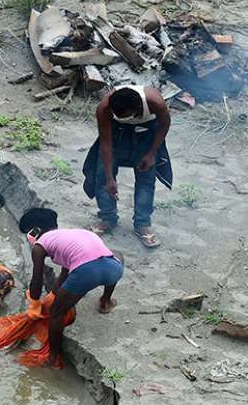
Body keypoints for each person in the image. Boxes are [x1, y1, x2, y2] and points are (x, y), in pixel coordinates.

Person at [20, 207, 123, 367]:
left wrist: (34, 302)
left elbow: (37, 280)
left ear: (36, 230)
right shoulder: (73, 235)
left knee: (56, 313)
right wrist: (54, 294)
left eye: (29, 233)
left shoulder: (39, 246)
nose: (29, 238)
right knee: (113, 257)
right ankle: (105, 301)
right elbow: (66, 272)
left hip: (87, 272)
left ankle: (53, 357)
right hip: (114, 269)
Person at [82, 85, 173, 248]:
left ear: (138, 108)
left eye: (127, 116)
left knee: (146, 179)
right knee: (102, 175)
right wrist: (110, 178)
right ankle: (107, 218)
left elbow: (164, 125)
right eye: (119, 115)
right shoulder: (104, 108)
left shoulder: (155, 102)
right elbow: (106, 143)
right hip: (117, 133)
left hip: (147, 134)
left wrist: (152, 154)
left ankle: (142, 224)